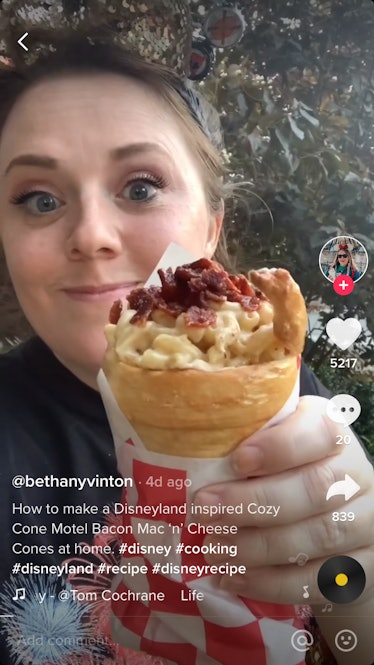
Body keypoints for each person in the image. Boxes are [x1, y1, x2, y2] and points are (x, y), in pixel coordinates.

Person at [0, 3, 373, 665]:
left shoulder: (294, 406)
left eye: (141, 187)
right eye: (39, 198)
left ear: (212, 226)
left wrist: (358, 586)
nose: (90, 235)